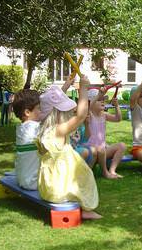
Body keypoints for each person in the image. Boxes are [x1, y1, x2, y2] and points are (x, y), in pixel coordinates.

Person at [37, 75, 101, 220]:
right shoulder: (59, 131)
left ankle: (79, 205)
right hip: (59, 190)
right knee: (84, 178)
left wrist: (65, 86)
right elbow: (81, 115)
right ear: (57, 114)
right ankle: (85, 210)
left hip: (48, 188)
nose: (68, 115)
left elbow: (52, 102)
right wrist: (83, 89)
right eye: (65, 113)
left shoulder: (44, 131)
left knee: (79, 170)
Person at [84, 87, 126, 179]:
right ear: (91, 102)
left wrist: (117, 106)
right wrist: (98, 95)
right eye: (99, 100)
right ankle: (105, 172)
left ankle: (112, 170)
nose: (102, 101)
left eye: (103, 100)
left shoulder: (104, 115)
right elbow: (88, 107)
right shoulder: (89, 115)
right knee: (100, 150)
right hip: (91, 151)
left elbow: (118, 119)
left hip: (102, 150)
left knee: (122, 146)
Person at [12, 89, 41, 190]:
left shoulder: (21, 128)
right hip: (34, 182)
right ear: (27, 112)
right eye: (39, 108)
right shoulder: (35, 128)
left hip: (23, 179)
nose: (42, 111)